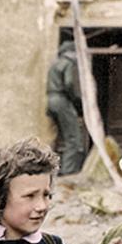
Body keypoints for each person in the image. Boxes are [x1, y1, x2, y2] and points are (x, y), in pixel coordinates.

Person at [46, 41, 86, 176]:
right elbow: (69, 83)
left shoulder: (55, 64)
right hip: (62, 100)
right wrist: (76, 100)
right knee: (73, 137)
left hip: (51, 99)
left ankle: (52, 168)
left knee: (57, 136)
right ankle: (68, 171)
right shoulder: (68, 62)